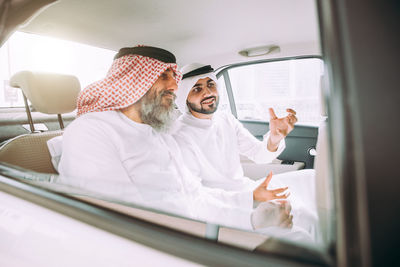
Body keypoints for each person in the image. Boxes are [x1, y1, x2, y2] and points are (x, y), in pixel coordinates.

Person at [57, 46, 292, 231]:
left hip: (190, 228)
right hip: (165, 242)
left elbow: (194, 196)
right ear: (134, 82)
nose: (174, 85)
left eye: (174, 76)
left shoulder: (157, 133)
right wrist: (247, 224)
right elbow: (122, 220)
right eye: (163, 76)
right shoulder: (91, 132)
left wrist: (247, 208)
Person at [172, 63, 318, 239]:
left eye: (210, 85)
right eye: (197, 89)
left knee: (309, 208)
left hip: (247, 189)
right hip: (226, 207)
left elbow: (259, 154)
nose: (208, 93)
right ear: (184, 98)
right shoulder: (179, 136)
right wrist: (250, 198)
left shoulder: (225, 119)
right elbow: (197, 196)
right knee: (304, 231)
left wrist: (275, 137)